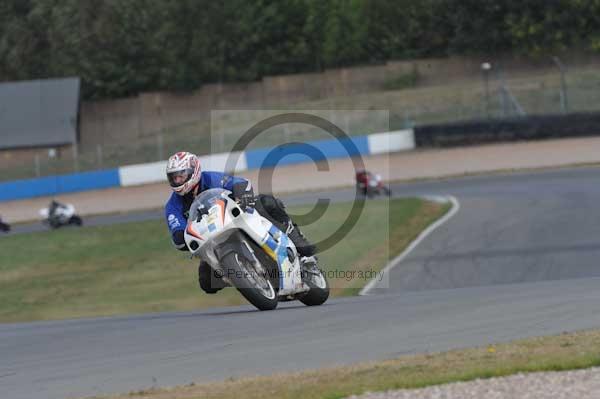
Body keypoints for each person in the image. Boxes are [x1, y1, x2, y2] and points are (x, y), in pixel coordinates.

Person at [164, 151, 317, 294]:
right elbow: (177, 231)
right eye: (173, 177)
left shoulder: (210, 178)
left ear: (193, 171)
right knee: (206, 282)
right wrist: (182, 237)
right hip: (212, 239)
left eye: (180, 176)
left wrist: (243, 196)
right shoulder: (172, 206)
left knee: (266, 202)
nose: (177, 181)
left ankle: (297, 239)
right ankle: (242, 277)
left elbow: (238, 183)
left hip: (234, 218)